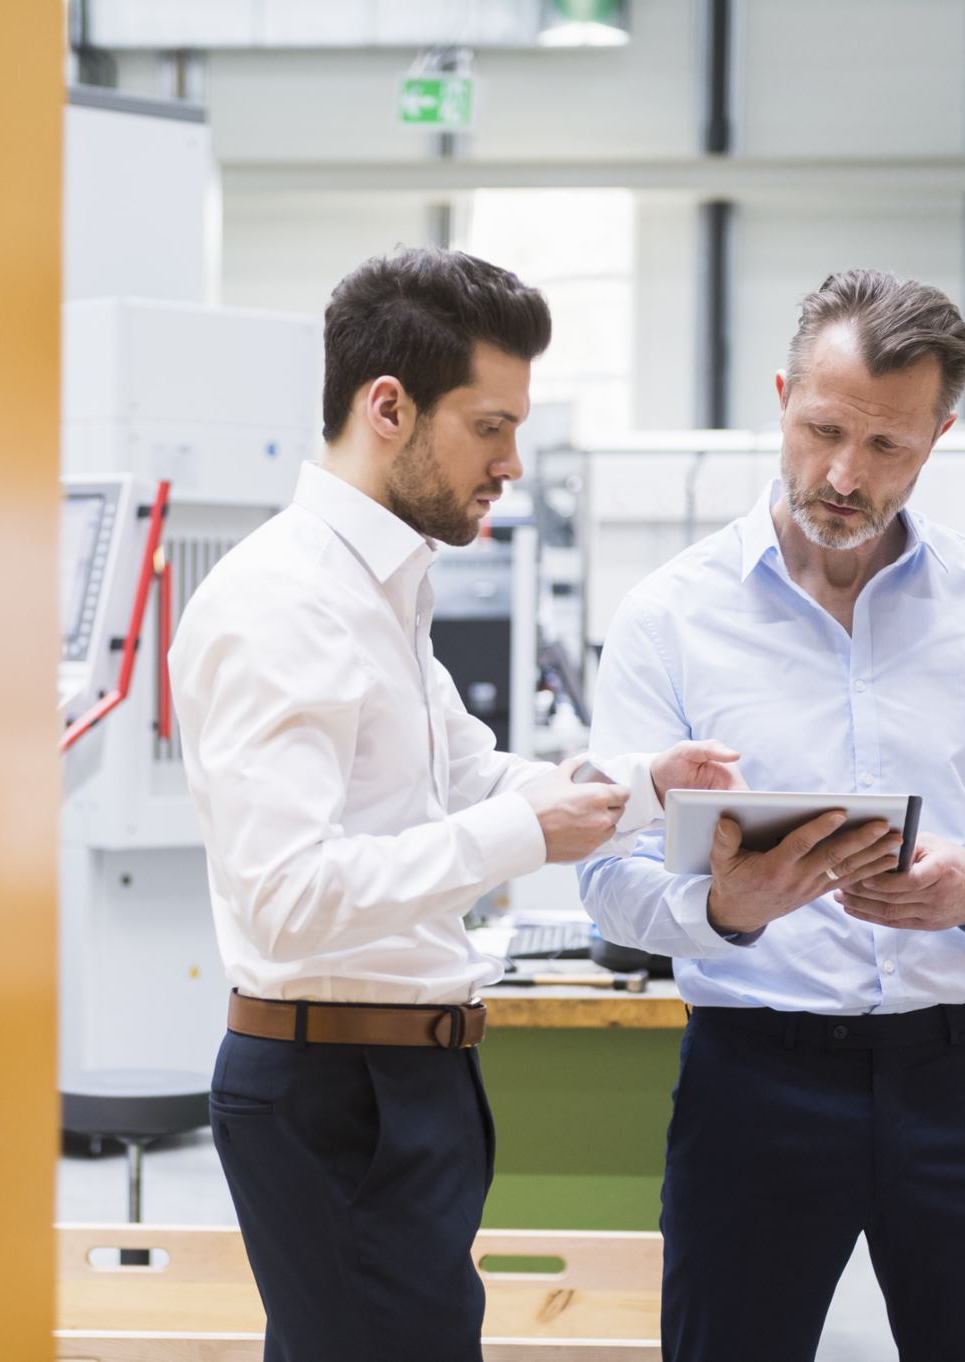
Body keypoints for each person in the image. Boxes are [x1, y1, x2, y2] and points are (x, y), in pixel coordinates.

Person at [169, 247, 742, 1362]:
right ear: (389, 407)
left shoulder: (382, 586)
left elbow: (468, 774)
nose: (512, 463)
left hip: (407, 1077)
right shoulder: (284, 602)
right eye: (490, 426)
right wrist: (526, 835)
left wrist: (639, 788)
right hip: (337, 1088)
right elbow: (285, 899)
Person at [578, 269, 965, 1362]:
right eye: (821, 430)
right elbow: (606, 876)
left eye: (887, 449)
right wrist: (725, 910)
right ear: (781, 396)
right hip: (753, 1083)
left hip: (964, 1082)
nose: (843, 475)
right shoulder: (670, 617)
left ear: (939, 434)